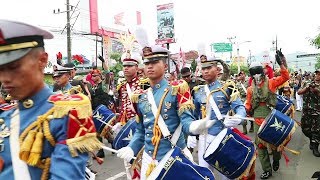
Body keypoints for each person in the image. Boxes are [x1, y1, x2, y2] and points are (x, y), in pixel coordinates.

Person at [0, 19, 101, 179]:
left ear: (42, 60)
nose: (4, 78)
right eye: (0, 69)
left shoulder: (68, 113)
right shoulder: (4, 117)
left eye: (13, 67)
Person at [117, 45, 214, 179]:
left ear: (165, 66)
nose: (150, 66)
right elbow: (141, 131)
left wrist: (194, 126)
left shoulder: (177, 89)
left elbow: (186, 122)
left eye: (155, 62)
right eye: (146, 63)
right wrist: (131, 148)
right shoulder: (140, 96)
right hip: (149, 159)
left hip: (174, 156)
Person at [192, 55, 248, 180]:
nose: (205, 71)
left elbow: (239, 107)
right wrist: (191, 132)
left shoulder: (227, 87)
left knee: (227, 174)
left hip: (223, 137)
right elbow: (194, 115)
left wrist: (238, 117)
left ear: (217, 70)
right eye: (203, 68)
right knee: (205, 174)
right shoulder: (197, 91)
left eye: (209, 68)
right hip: (204, 137)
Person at [245, 50, 289, 179]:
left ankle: (276, 159)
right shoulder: (250, 89)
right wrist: (245, 110)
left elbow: (285, 77)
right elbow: (248, 104)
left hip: (271, 117)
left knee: (275, 144)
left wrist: (281, 64)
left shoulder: (271, 82)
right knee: (260, 146)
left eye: (258, 72)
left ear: (262, 72)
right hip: (258, 119)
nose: (257, 75)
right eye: (254, 73)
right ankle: (267, 170)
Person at [115, 51, 143, 179]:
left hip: (140, 128)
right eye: (124, 66)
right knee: (128, 163)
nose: (126, 68)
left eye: (130, 65)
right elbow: (123, 107)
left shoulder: (144, 84)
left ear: (137, 67)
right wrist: (119, 122)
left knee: (142, 162)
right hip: (127, 128)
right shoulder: (122, 86)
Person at [298, 69, 320, 157]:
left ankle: (315, 146)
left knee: (317, 130)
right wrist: (307, 88)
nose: (318, 76)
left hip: (317, 111)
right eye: (317, 74)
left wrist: (317, 91)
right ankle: (311, 139)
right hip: (307, 111)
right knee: (304, 128)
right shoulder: (307, 82)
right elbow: (299, 92)